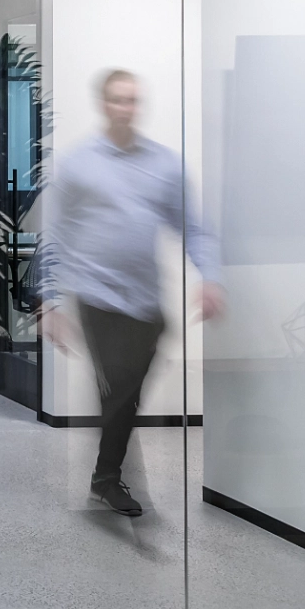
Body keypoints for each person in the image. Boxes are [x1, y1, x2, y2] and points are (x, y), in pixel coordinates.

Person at [40, 70, 224, 517]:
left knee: (126, 389)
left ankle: (111, 464)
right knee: (119, 384)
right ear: (104, 105)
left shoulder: (164, 164)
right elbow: (55, 234)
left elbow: (193, 229)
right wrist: (50, 301)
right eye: (119, 100)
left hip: (147, 302)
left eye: (133, 100)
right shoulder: (79, 162)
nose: (127, 108)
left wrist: (210, 277)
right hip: (97, 296)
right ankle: (107, 479)